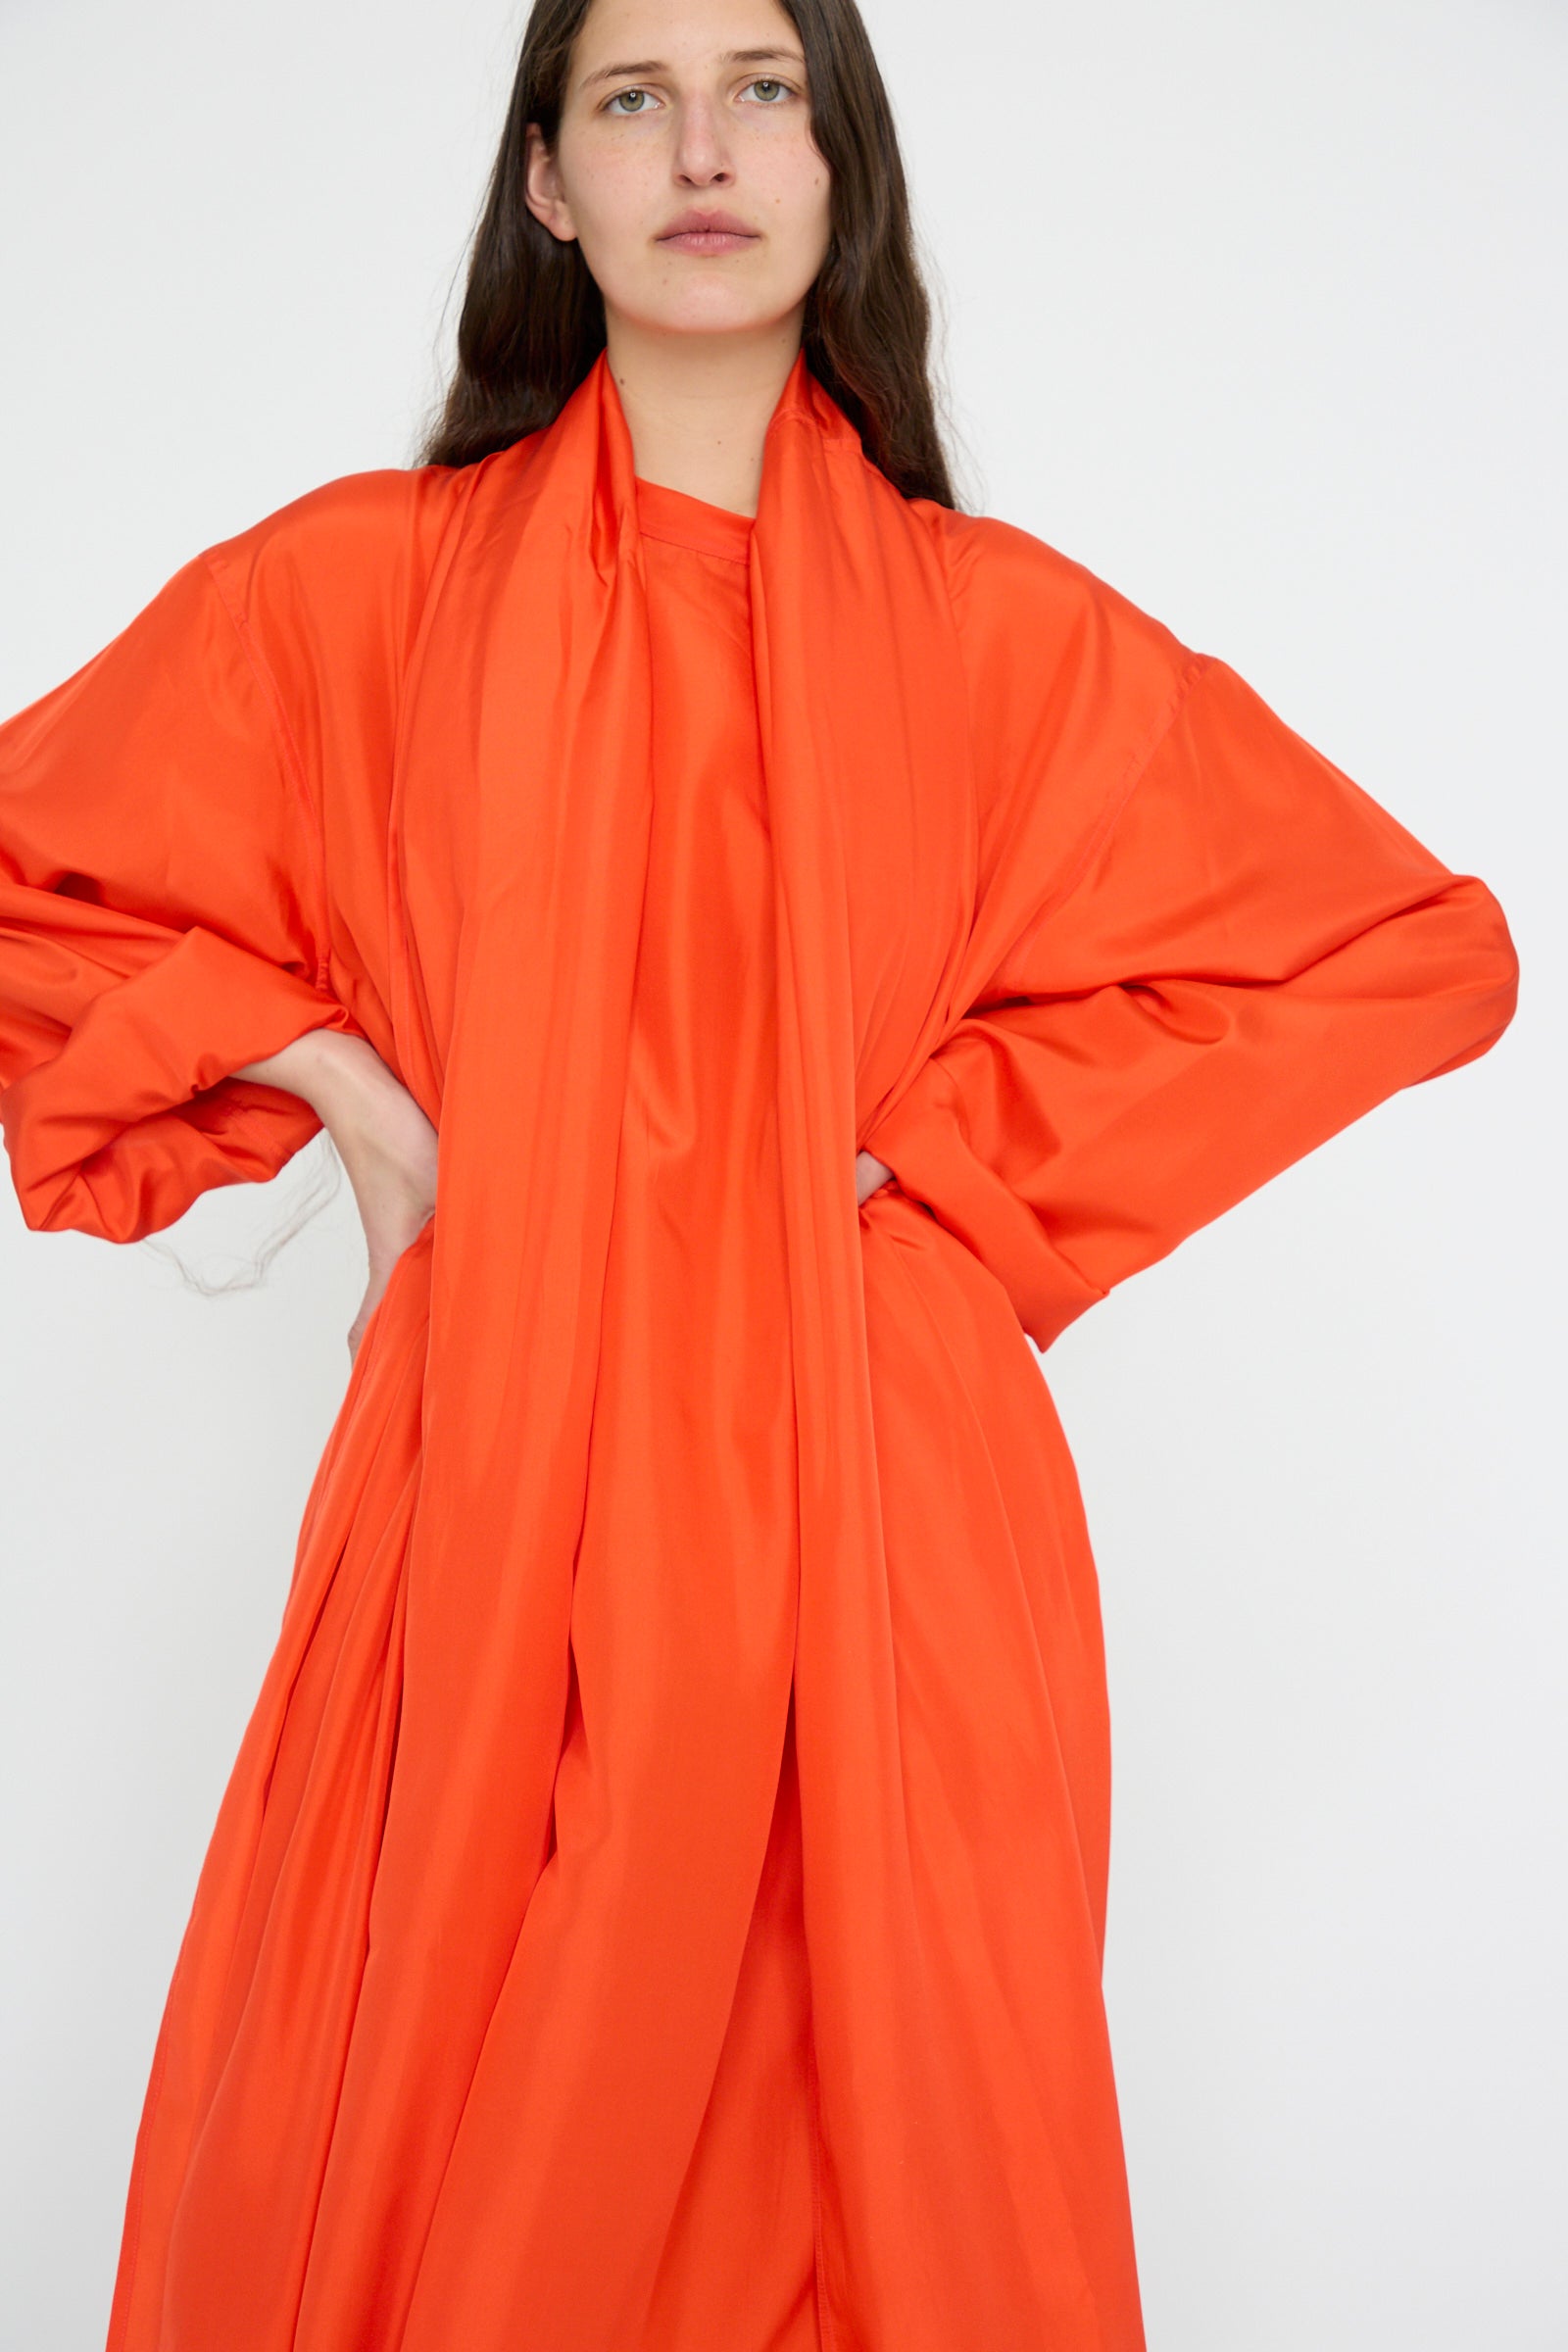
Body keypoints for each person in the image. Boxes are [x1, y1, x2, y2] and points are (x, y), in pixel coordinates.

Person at [0, 0, 1520, 2346]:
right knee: (421, 2155)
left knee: (874, 2163)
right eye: (632, 97)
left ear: (838, 166)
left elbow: (1405, 948)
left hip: (876, 1515)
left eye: (763, 91)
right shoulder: (359, 598)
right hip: (488, 1485)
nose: (701, 147)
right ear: (546, 183)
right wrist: (362, 1108)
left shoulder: (993, 638)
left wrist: (944, 1168)